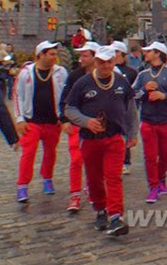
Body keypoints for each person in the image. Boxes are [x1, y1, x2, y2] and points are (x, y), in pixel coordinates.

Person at [64, 45, 138, 236]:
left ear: (115, 61)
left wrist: (132, 133)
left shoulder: (121, 82)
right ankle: (100, 210)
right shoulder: (82, 83)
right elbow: (69, 109)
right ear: (95, 62)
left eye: (109, 62)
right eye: (102, 62)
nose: (105, 66)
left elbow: (131, 109)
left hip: (114, 137)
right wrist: (86, 122)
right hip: (90, 139)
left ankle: (116, 216)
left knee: (113, 177)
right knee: (94, 177)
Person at [13, 41, 69, 203]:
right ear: (41, 55)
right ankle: (22, 185)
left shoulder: (60, 72)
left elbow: (65, 94)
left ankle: (47, 178)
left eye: (55, 54)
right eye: (51, 54)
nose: (55, 58)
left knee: (50, 152)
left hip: (53, 121)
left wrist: (63, 117)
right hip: (32, 121)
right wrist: (19, 118)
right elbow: (18, 96)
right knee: (28, 153)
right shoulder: (26, 73)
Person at [132, 41, 167, 204]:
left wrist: (165, 96)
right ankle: (153, 186)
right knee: (150, 156)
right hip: (148, 120)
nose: (145, 54)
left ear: (157, 53)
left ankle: (161, 179)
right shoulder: (143, 74)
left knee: (165, 155)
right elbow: (132, 94)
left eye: (149, 51)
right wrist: (144, 90)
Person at [59, 41, 99, 212]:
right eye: (80, 55)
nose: (81, 58)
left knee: (94, 162)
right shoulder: (75, 76)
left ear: (94, 57)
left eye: (85, 55)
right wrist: (64, 119)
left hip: (97, 126)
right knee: (76, 160)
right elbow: (65, 99)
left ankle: (92, 188)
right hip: (77, 124)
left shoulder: (105, 74)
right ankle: (75, 194)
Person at [111, 41, 138, 175]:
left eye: (115, 52)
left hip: (126, 106)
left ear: (121, 53)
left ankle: (126, 161)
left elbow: (136, 89)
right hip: (114, 106)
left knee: (126, 132)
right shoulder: (108, 69)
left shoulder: (131, 71)